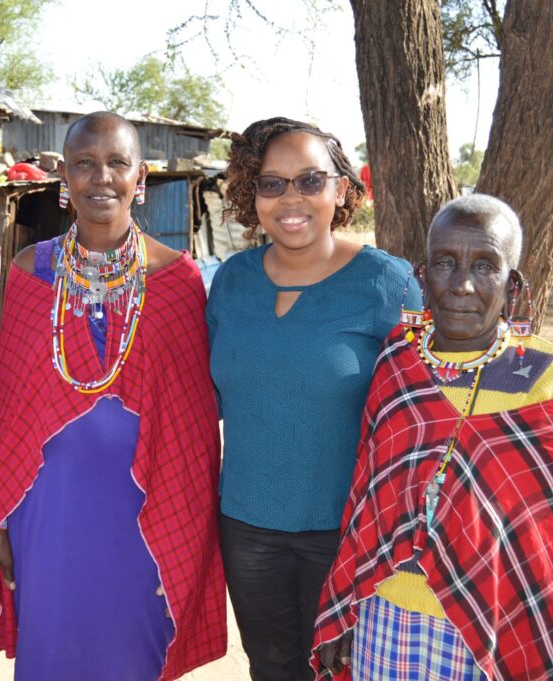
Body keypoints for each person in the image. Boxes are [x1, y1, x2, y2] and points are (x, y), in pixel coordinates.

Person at [0, 111, 226, 681]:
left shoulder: (178, 280)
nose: (101, 178)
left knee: (131, 657)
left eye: (117, 163)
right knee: (53, 655)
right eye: (84, 164)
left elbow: (192, 432)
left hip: (142, 518)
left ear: (141, 178)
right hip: (47, 513)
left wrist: (186, 536)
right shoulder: (30, 273)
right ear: (64, 178)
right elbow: (7, 413)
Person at [313, 194, 553, 680]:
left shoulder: (544, 376)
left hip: (494, 620)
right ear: (423, 276)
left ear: (513, 284)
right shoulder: (397, 362)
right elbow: (368, 496)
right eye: (445, 262)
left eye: (485, 266)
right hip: (387, 613)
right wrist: (348, 609)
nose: (462, 285)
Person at [206, 116, 421, 681]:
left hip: (348, 530)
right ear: (251, 196)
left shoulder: (387, 284)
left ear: (340, 190)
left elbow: (438, 404)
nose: (290, 198)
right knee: (272, 667)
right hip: (247, 525)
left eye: (309, 180)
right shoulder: (232, 281)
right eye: (271, 184)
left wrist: (546, 483)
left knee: (346, 670)